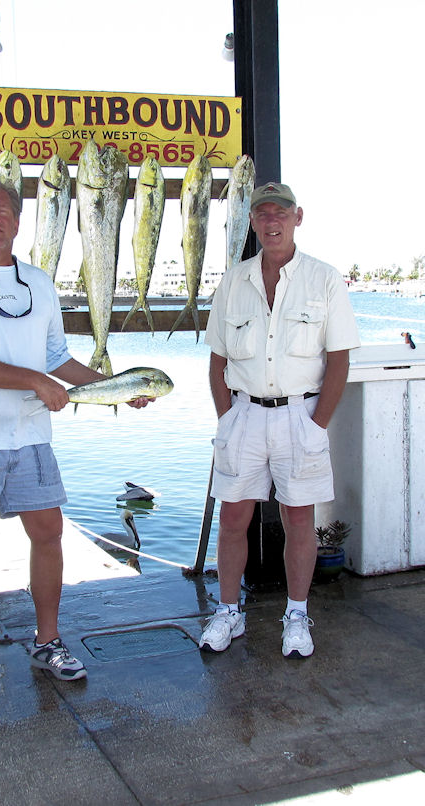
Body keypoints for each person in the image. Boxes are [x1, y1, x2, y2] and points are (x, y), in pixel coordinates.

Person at [0, 178, 149, 692]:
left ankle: (47, 640)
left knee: (48, 533)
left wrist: (115, 389)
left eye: (4, 211)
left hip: (28, 434)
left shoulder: (40, 283)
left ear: (20, 223)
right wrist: (32, 381)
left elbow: (57, 360)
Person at [201, 181, 360, 658]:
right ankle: (229, 612)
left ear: (298, 218)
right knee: (233, 518)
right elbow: (216, 361)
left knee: (298, 520)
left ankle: (295, 614)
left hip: (300, 415)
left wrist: (316, 425)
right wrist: (227, 419)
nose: (272, 221)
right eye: (263, 214)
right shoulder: (234, 281)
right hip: (245, 414)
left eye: (281, 213)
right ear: (251, 222)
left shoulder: (325, 279)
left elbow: (340, 362)